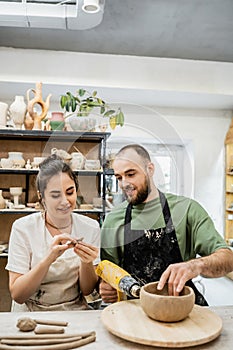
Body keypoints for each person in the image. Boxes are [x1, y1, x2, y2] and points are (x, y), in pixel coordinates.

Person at [100, 144, 233, 305]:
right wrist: (107, 288)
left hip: (182, 306)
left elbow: (228, 259)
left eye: (131, 174)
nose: (124, 184)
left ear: (150, 169)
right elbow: (108, 273)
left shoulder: (187, 210)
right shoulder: (113, 220)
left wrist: (195, 265)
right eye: (119, 177)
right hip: (135, 310)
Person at [6, 154, 100, 311]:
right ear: (41, 196)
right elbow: (18, 294)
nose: (65, 201)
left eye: (70, 192)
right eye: (55, 195)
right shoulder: (23, 228)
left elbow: (87, 290)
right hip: (31, 311)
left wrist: (86, 262)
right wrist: (49, 259)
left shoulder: (90, 227)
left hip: (74, 310)